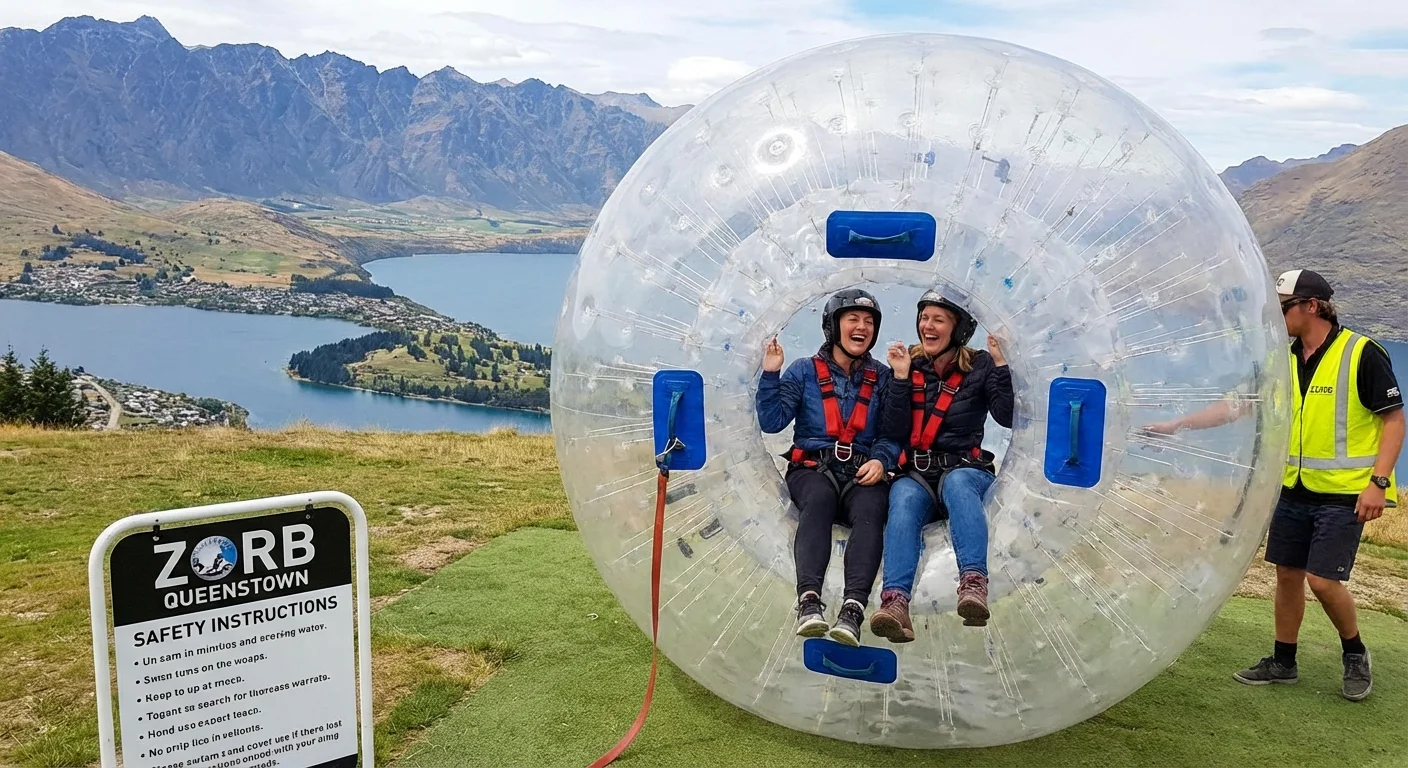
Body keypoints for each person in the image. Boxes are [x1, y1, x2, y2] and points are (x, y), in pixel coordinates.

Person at [1146, 269, 1403, 701]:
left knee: (1322, 581)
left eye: (1282, 307)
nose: (1275, 316)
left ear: (1311, 307)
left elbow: (1393, 420)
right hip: (1293, 488)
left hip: (1345, 493)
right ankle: (1284, 661)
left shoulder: (1363, 353)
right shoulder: (1279, 360)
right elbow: (1236, 407)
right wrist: (1176, 426)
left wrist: (1378, 483)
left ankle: (1355, 652)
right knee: (1287, 574)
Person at [756, 288, 902, 646]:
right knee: (818, 500)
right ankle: (809, 600)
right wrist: (771, 375)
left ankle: (853, 609)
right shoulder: (804, 371)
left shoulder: (882, 377)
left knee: (871, 509)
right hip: (812, 469)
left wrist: (880, 462)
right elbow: (772, 421)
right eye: (852, 319)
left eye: (869, 322)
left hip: (861, 471)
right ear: (833, 326)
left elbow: (891, 433)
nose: (862, 327)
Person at [868, 290, 1013, 642]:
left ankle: (974, 584)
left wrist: (1001, 365)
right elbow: (892, 428)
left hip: (964, 466)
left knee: (959, 486)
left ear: (958, 329)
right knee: (901, 499)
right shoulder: (907, 365)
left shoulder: (979, 365)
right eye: (924, 318)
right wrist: (900, 379)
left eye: (938, 320)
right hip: (916, 473)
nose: (927, 326)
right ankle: (895, 603)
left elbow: (1006, 416)